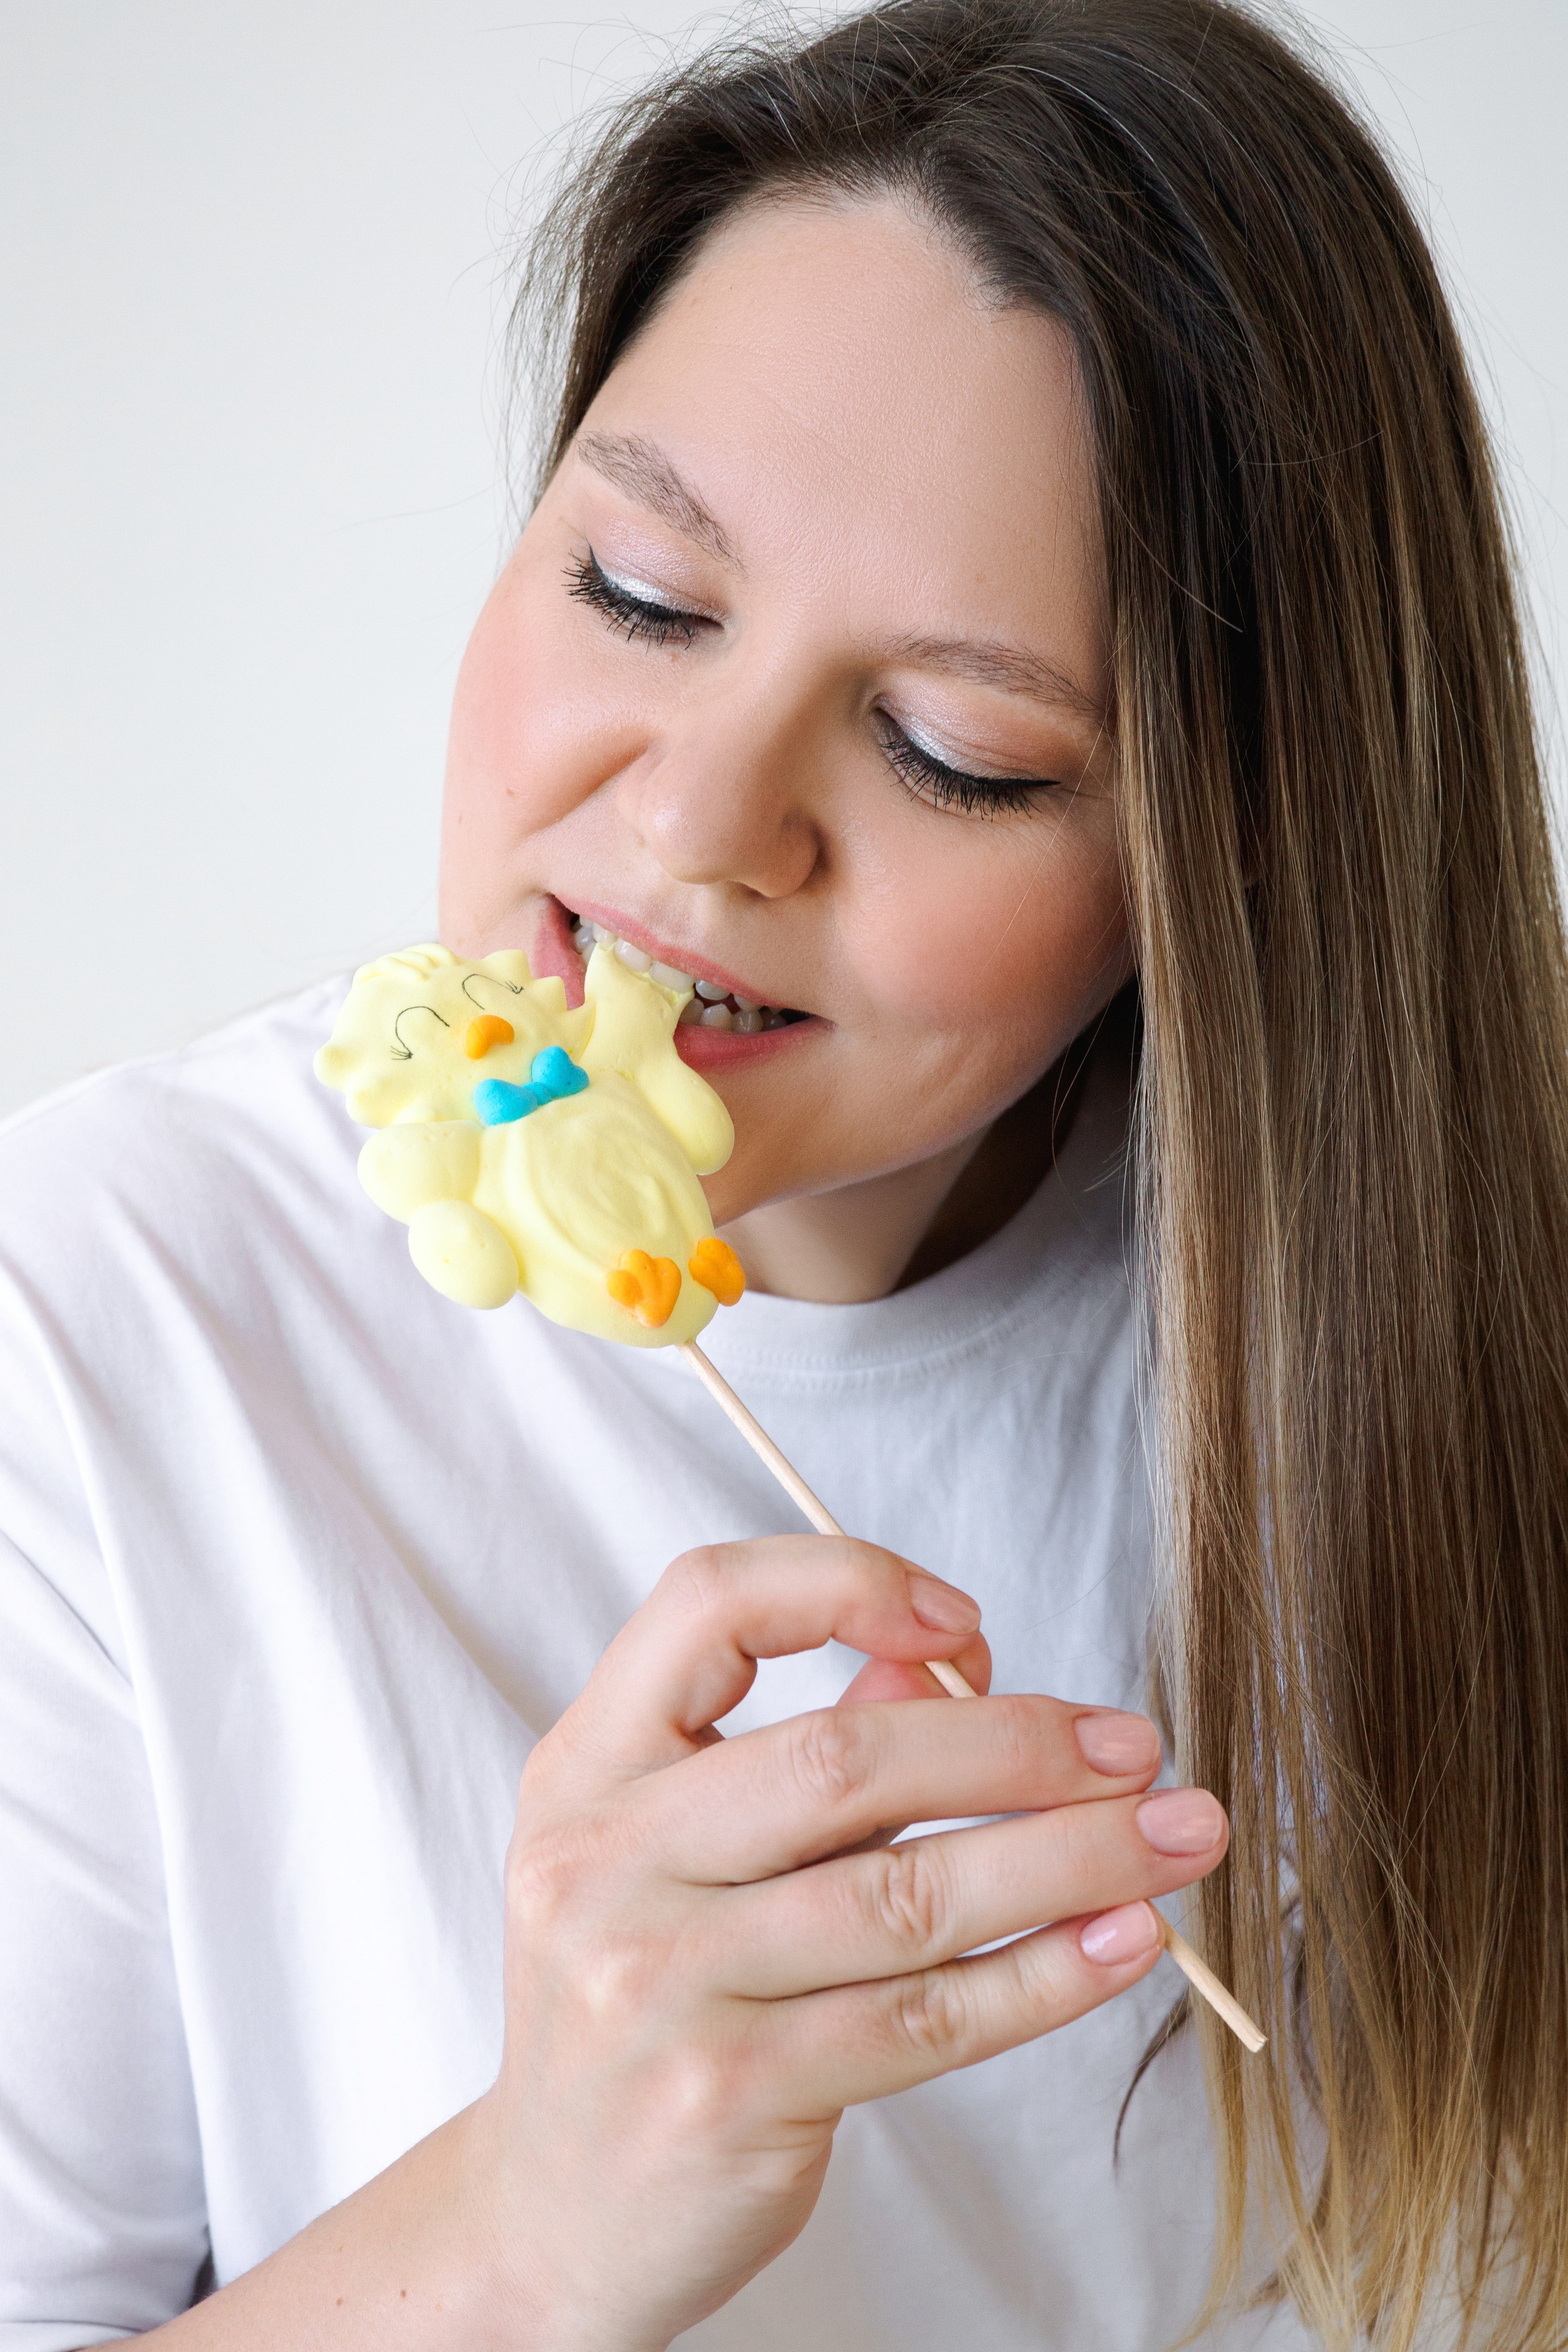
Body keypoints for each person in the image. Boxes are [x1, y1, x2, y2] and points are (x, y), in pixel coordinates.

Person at [2, 1, 1564, 2345]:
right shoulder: (105, 1315)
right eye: (639, 595)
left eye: (952, 750)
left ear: (1226, 876)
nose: (698, 823)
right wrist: (531, 2220)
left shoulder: (1437, 1336)